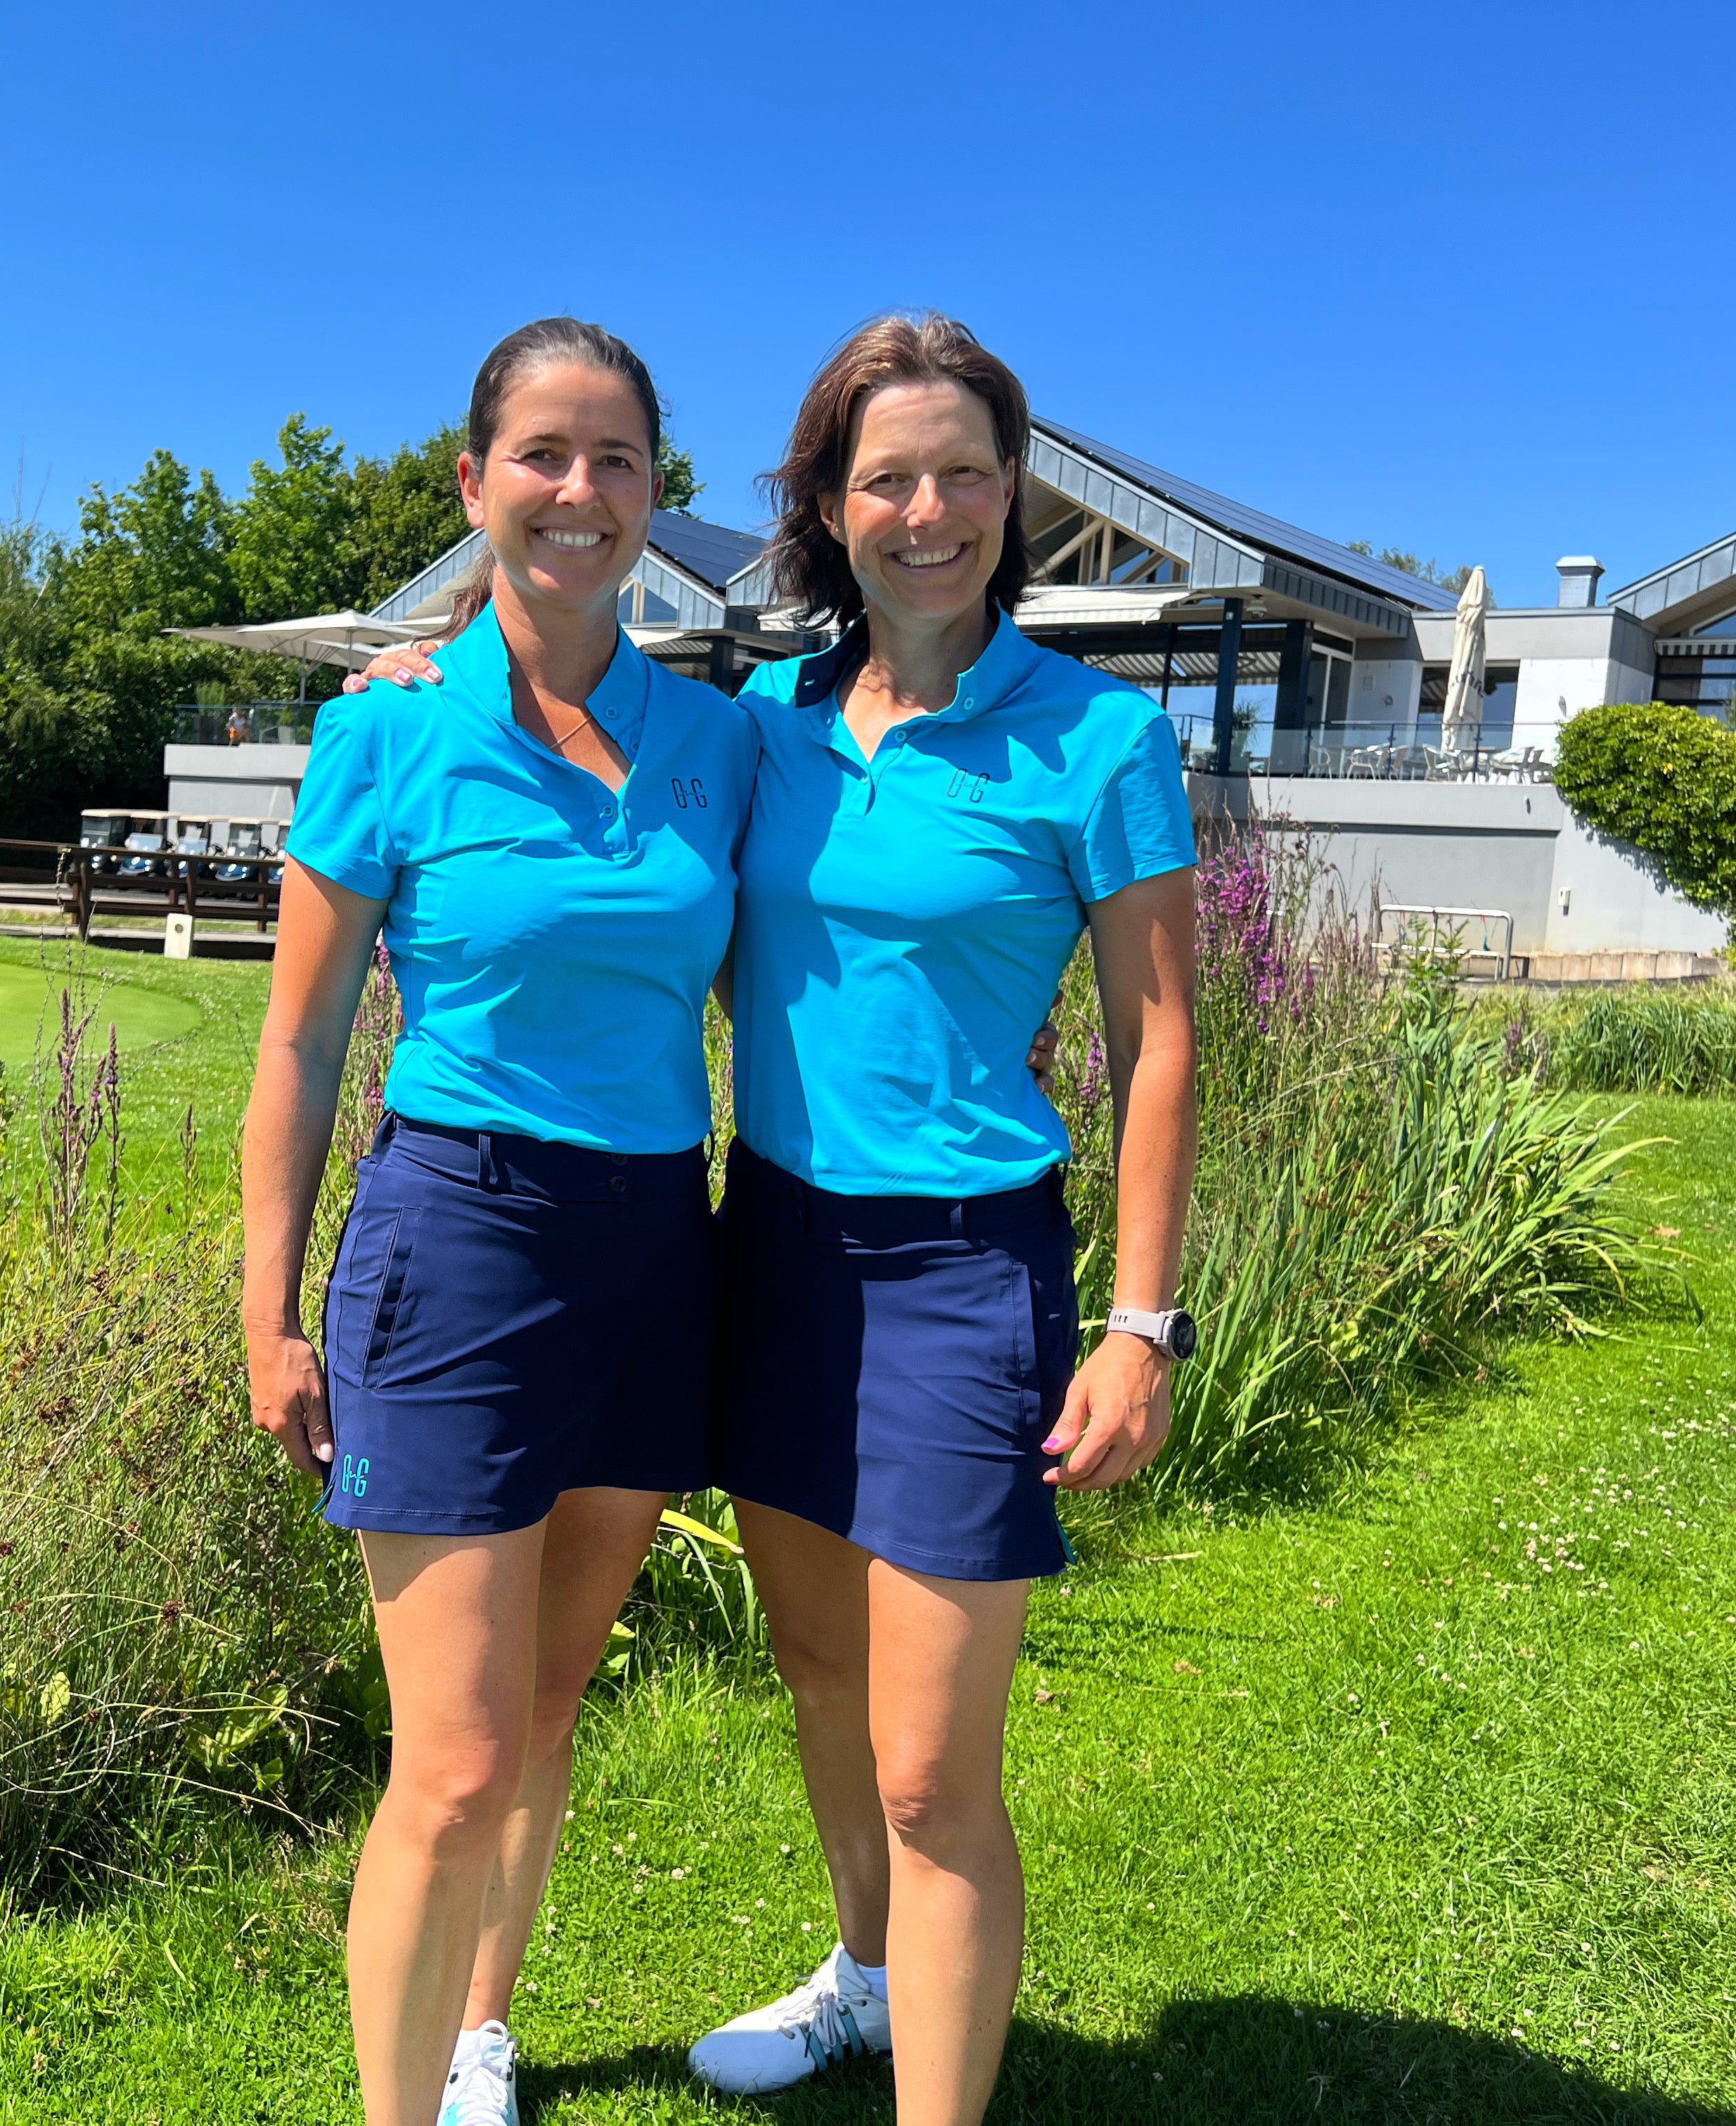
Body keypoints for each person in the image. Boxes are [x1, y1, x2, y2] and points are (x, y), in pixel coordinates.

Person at [351, 312, 1199, 2121]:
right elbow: (575, 715)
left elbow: (1161, 1045)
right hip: (778, 1254)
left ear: (1011, 494)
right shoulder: (763, 731)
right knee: (819, 1672)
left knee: (927, 1772)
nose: (930, 510)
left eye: (966, 473)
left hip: (971, 1265)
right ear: (828, 502)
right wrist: (421, 674)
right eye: (887, 476)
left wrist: (1141, 1325)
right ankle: (872, 1979)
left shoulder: (1098, 739)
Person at [240, 317, 756, 2126]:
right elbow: (300, 1044)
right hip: (456, 1238)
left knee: (540, 1719)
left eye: (617, 459)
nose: (579, 491)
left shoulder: (720, 740)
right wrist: (268, 1310)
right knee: (451, 1764)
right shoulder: (386, 731)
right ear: (475, 489)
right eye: (543, 453)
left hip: (650, 1248)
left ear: (651, 500)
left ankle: (481, 2040)